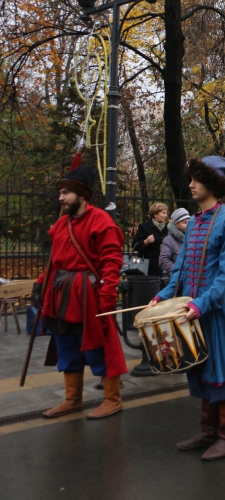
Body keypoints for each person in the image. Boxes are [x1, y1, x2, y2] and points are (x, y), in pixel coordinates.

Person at [151, 156, 225, 461]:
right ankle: (209, 432)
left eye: (197, 179)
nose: (191, 185)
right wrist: (163, 296)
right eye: (191, 178)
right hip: (194, 312)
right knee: (203, 370)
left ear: (213, 183)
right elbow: (180, 270)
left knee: (223, 372)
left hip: (220, 314)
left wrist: (201, 304)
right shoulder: (195, 222)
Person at [31, 159, 127, 420]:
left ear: (82, 194)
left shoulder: (101, 222)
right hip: (60, 296)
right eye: (60, 193)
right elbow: (55, 262)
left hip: (88, 297)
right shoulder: (62, 224)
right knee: (67, 346)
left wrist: (107, 295)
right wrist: (40, 283)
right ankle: (73, 399)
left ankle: (112, 399)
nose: (60, 198)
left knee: (98, 346)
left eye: (65, 193)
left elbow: (112, 263)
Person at [132, 202, 170, 276]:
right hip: (149, 268)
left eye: (166, 213)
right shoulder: (144, 227)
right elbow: (135, 245)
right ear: (155, 214)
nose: (166, 215)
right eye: (163, 213)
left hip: (166, 267)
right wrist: (145, 242)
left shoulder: (169, 228)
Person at [159, 208, 190, 274]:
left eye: (189, 222)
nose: (188, 225)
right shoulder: (169, 240)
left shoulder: (195, 237)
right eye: (184, 222)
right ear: (177, 225)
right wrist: (178, 272)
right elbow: (163, 260)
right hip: (179, 277)